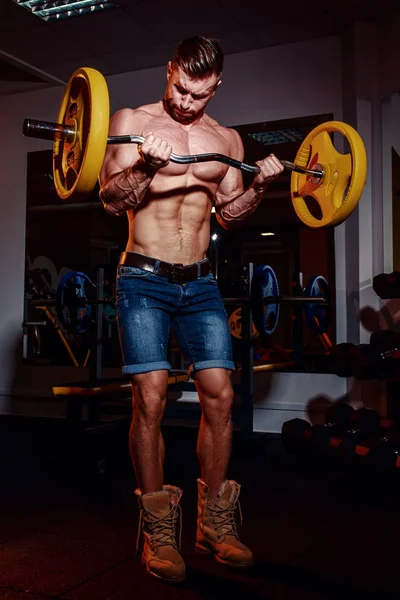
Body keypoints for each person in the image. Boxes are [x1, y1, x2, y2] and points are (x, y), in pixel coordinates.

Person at [99, 36, 283, 583]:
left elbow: (231, 213)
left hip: (200, 281)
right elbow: (112, 198)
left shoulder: (224, 138)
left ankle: (215, 526)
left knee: (221, 397)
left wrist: (262, 186)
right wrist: (146, 168)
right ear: (170, 70)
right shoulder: (132, 120)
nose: (186, 103)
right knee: (151, 396)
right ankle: (158, 533)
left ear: (216, 86)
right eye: (181, 88)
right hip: (142, 276)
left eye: (199, 95)